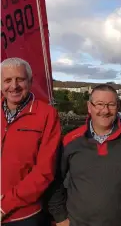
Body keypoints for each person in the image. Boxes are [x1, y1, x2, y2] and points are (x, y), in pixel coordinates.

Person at [48, 84, 121, 226]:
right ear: (89, 107)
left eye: (111, 105)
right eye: (99, 104)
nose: (105, 111)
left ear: (118, 107)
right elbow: (55, 181)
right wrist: (60, 217)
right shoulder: (70, 141)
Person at [1, 58, 61, 226]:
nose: (14, 86)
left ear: (30, 81)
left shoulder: (47, 115)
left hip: (25, 216)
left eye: (20, 79)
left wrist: (4, 205)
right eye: (7, 80)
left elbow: (45, 171)